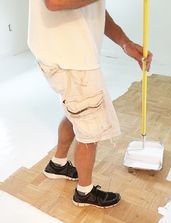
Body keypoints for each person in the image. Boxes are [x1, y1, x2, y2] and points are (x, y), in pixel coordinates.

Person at [28, 0, 152, 208]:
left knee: (75, 113)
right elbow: (55, 2)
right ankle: (84, 193)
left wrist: (125, 43)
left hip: (67, 57)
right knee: (90, 129)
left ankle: (58, 165)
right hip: (71, 61)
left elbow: (96, 11)